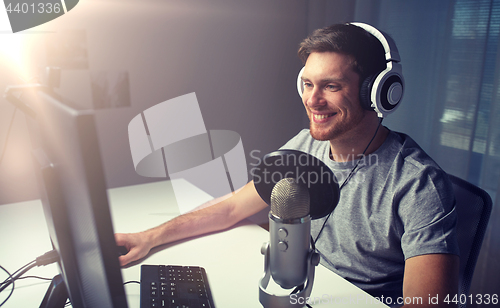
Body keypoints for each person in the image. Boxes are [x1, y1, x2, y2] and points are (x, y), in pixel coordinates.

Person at [116, 23, 459, 307]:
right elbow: (232, 207)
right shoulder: (306, 145)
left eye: (331, 86)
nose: (312, 100)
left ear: (378, 92)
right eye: (308, 84)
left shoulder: (418, 184)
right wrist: (149, 237)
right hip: (298, 292)